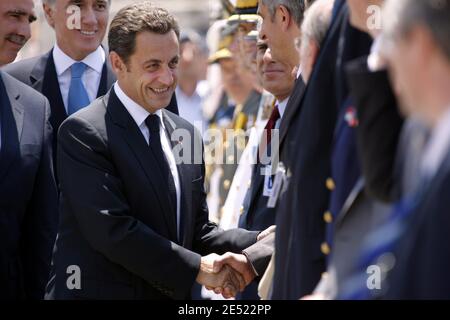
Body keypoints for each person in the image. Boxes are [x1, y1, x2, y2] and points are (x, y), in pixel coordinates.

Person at [45, 2, 260, 300]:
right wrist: (200, 268)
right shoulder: (84, 132)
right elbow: (116, 232)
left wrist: (261, 241)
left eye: (172, 63)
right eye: (152, 66)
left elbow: (196, 231)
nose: (167, 78)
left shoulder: (185, 133)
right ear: (118, 63)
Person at [3, 0, 179, 171]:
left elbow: (177, 170)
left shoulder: (153, 84)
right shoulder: (13, 82)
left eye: (99, 6)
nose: (90, 19)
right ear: (49, 13)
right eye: (78, 6)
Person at [0, 0, 58, 299]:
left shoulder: (36, 108)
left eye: (29, 19)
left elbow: (41, 228)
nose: (24, 31)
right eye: (14, 16)